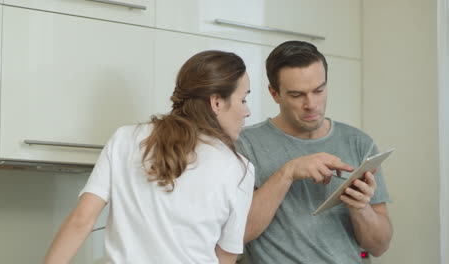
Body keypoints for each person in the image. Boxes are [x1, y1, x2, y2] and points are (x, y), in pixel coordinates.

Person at [44, 50, 255, 264]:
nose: (247, 111)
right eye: (244, 99)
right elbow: (226, 255)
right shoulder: (239, 169)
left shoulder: (126, 138)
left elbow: (81, 221)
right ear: (216, 102)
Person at [236, 41, 393, 263]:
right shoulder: (244, 145)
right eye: (297, 95)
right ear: (274, 93)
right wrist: (288, 172)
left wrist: (360, 209)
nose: (311, 104)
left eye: (318, 90)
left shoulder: (359, 142)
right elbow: (238, 234)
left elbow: (379, 246)